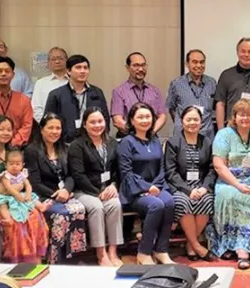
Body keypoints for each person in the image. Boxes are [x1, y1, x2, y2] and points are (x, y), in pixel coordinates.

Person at [0, 116, 49, 263]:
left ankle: (34, 260)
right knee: (13, 221)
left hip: (17, 198)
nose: (6, 133)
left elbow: (23, 179)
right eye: (1, 129)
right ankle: (14, 262)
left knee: (34, 215)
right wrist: (3, 191)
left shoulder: (13, 152)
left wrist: (20, 189)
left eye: (9, 129)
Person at [208, 99, 250, 270]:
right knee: (228, 195)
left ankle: (246, 247)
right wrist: (238, 185)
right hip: (229, 181)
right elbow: (219, 165)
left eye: (248, 114)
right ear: (234, 117)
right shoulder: (223, 134)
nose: (245, 118)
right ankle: (230, 246)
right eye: (241, 114)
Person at [24, 113, 88, 264]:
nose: (54, 131)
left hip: (65, 194)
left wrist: (66, 189)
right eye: (50, 127)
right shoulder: (31, 151)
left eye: (58, 128)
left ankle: (74, 256)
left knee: (79, 209)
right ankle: (56, 259)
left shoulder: (65, 148)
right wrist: (55, 194)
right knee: (62, 214)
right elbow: (34, 182)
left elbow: (72, 175)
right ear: (41, 129)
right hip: (42, 195)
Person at [118, 103, 176, 265]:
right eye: (140, 117)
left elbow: (161, 168)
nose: (145, 120)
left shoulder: (155, 140)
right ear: (132, 120)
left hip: (156, 187)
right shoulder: (126, 142)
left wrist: (155, 186)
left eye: (148, 116)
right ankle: (144, 252)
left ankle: (161, 250)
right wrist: (145, 187)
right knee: (156, 205)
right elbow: (126, 173)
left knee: (170, 202)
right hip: (134, 191)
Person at [68, 107, 123, 266]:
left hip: (107, 188)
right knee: (97, 207)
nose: (97, 125)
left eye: (100, 121)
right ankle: (101, 253)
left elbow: (117, 170)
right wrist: (97, 192)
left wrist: (113, 185)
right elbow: (78, 175)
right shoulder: (77, 145)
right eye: (92, 122)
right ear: (84, 125)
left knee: (115, 204)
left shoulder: (111, 143)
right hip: (84, 190)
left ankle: (113, 251)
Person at [164, 106, 217, 261]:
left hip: (200, 185)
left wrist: (204, 188)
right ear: (182, 121)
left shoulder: (207, 142)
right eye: (189, 119)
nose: (192, 122)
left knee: (207, 200)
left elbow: (212, 169)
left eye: (196, 119)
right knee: (183, 201)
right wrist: (188, 190)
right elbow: (170, 172)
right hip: (180, 186)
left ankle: (190, 244)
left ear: (201, 122)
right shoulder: (173, 142)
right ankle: (197, 245)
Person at [45, 55, 109, 144]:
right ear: (68, 71)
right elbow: (48, 122)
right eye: (78, 67)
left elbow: (105, 119)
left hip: (92, 142)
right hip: (66, 144)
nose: (82, 71)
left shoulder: (97, 92)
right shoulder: (56, 94)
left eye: (85, 68)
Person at [111, 53, 168, 136]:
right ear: (127, 68)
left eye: (143, 65)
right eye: (136, 65)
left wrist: (150, 132)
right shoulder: (119, 91)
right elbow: (117, 120)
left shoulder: (154, 90)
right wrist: (137, 134)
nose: (141, 69)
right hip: (128, 137)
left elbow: (162, 116)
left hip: (151, 137)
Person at [0, 149, 47, 224]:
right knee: (2, 204)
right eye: (11, 164)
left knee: (33, 198)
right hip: (6, 195)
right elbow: (8, 187)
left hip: (19, 194)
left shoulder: (22, 174)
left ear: (22, 165)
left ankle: (41, 207)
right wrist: (17, 194)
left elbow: (28, 185)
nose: (14, 166)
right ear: (6, 165)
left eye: (17, 164)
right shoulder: (5, 175)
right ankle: (7, 218)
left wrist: (28, 193)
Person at [166, 50, 217, 139]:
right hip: (183, 134)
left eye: (202, 62)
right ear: (187, 64)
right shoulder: (177, 84)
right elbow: (171, 108)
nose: (199, 65)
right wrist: (183, 122)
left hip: (206, 135)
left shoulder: (212, 83)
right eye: (195, 62)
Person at [31, 47, 69, 122]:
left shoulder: (74, 81)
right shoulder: (41, 83)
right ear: (48, 62)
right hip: (48, 128)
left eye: (60, 58)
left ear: (67, 60)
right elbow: (36, 109)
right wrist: (46, 124)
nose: (57, 61)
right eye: (53, 59)